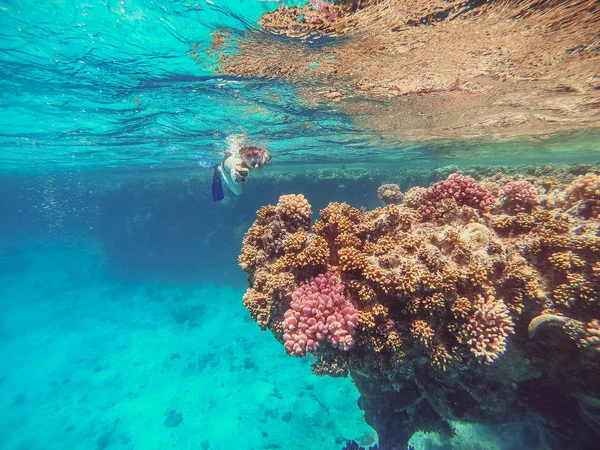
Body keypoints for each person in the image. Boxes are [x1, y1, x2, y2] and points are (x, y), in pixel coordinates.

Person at [212, 136, 272, 201]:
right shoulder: (238, 161)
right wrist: (233, 168)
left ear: (262, 151)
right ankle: (219, 169)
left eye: (255, 154)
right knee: (238, 192)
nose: (252, 160)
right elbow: (231, 161)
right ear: (242, 157)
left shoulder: (265, 156)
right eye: (248, 156)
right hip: (226, 164)